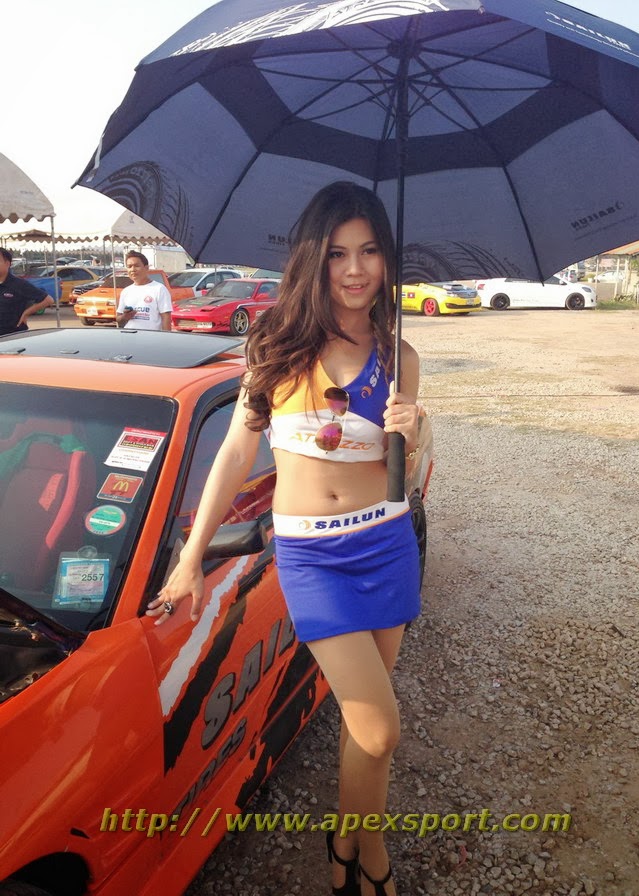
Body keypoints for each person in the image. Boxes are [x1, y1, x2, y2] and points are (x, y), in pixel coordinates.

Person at [147, 182, 421, 896]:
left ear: (387, 260)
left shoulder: (400, 356)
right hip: (313, 555)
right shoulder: (275, 346)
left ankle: (349, 842)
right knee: (381, 728)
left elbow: (399, 467)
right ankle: (368, 849)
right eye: (337, 253)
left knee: (366, 722)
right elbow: (236, 453)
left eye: (369, 251)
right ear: (312, 259)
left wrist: (416, 432)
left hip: (386, 543)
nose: (355, 269)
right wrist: (190, 557)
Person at [0, 248, 54, 336]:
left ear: (7, 264)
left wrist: (27, 313)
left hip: (13, 336)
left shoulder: (18, 284)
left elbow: (48, 300)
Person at [116, 250, 172, 331]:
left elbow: (166, 318)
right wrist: (125, 317)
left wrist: (166, 338)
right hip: (129, 337)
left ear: (146, 268)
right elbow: (118, 319)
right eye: (129, 266)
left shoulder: (159, 289)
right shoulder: (126, 291)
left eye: (136, 266)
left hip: (151, 337)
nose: (133, 269)